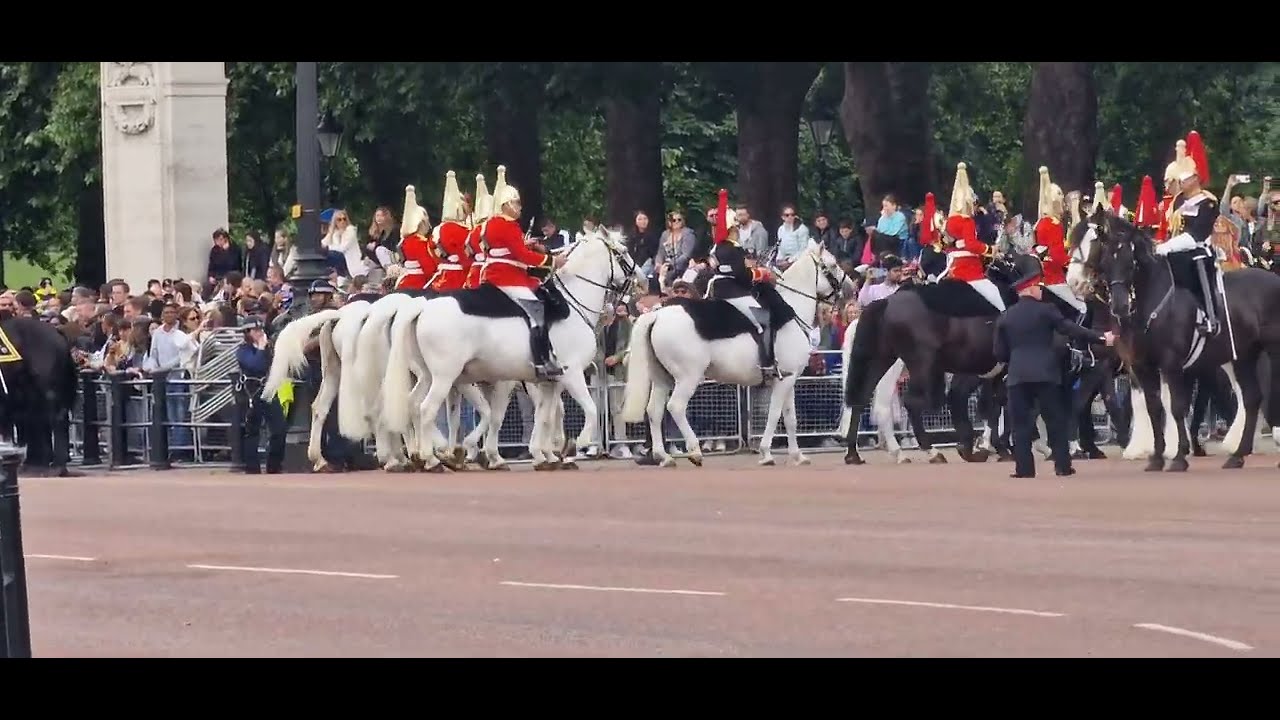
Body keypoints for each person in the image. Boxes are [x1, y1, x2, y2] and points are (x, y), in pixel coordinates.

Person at [994, 255, 1115, 478]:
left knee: (1020, 425)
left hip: (1017, 375)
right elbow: (1072, 330)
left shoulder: (1006, 317)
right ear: (1029, 289)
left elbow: (999, 353)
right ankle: (1062, 466)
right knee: (1056, 421)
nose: (1041, 289)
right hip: (1046, 373)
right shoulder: (1047, 310)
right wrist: (1100, 338)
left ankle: (1024, 469)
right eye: (1038, 286)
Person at [480, 164, 567, 379]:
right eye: (516, 203)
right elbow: (522, 257)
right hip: (507, 277)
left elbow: (505, 249)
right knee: (537, 310)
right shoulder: (508, 225)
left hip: (494, 272)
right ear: (507, 204)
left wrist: (525, 244)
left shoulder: (492, 224)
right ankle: (541, 361)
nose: (520, 207)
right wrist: (552, 260)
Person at [703, 188, 779, 378]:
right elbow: (742, 275)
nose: (738, 231)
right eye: (736, 228)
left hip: (716, 287)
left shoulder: (717, 247)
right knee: (765, 319)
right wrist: (760, 273)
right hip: (732, 291)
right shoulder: (733, 249)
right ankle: (767, 364)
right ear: (732, 230)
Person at [1153, 130, 1221, 336]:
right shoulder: (1179, 202)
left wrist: (1165, 247)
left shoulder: (1208, 203)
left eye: (1184, 177)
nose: (1180, 182)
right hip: (1175, 249)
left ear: (1196, 178)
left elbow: (1195, 236)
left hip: (1198, 251)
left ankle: (1211, 318)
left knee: (1198, 266)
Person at [941, 162, 1004, 312]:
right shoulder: (967, 220)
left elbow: (946, 243)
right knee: (996, 296)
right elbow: (971, 244)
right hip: (968, 268)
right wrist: (990, 249)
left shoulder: (949, 221)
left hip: (951, 266)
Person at [235, 316, 287, 474]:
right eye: (255, 330)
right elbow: (255, 364)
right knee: (252, 431)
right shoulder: (243, 350)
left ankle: (274, 465)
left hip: (269, 390)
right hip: (251, 392)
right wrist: (260, 348)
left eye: (260, 330)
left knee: (279, 429)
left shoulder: (269, 348)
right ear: (247, 332)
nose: (259, 333)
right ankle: (252, 468)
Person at [1033, 166, 1086, 320]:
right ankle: (1078, 343)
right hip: (1053, 278)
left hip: (1043, 276)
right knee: (1083, 307)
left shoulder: (1041, 222)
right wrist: (1076, 263)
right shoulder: (1054, 224)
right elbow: (1057, 256)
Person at [430, 170, 473, 292]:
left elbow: (433, 255)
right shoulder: (465, 231)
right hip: (459, 279)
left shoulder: (436, 230)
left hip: (440, 276)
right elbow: (467, 258)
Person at [395, 185, 436, 291]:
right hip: (418, 283)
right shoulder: (419, 242)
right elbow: (429, 268)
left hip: (405, 282)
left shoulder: (405, 240)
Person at [463, 173, 492, 290]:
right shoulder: (494, 228)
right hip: (490, 272)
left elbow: (467, 253)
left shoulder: (473, 231)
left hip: (473, 273)